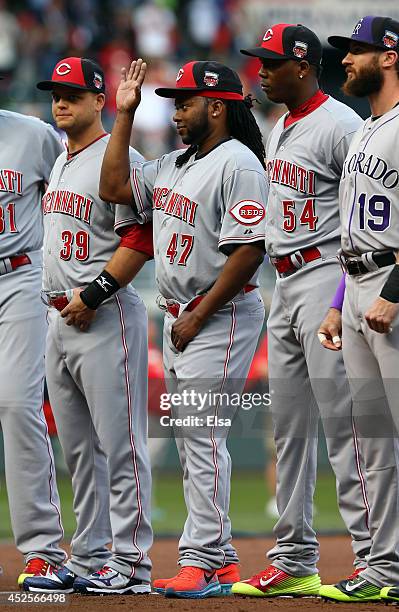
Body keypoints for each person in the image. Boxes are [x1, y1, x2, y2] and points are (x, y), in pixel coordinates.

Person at [99, 58, 267, 598]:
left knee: (202, 435)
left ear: (217, 106)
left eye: (187, 102)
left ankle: (200, 557)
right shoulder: (173, 163)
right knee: (195, 439)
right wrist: (123, 116)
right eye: (175, 102)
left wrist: (199, 313)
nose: (177, 111)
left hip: (218, 312)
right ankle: (221, 565)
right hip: (182, 315)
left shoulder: (238, 163)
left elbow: (248, 250)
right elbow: (113, 186)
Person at [232, 23, 371, 598]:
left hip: (326, 274)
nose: (261, 70)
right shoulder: (279, 122)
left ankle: (377, 561)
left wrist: (343, 296)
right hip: (282, 281)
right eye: (259, 61)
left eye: (271, 62)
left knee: (345, 425)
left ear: (304, 65)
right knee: (289, 431)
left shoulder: (343, 126)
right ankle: (293, 558)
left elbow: (363, 215)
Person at [22, 56, 153, 595]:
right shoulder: (59, 161)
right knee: (78, 449)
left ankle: (134, 564)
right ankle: (96, 555)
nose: (61, 100)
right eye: (56, 92)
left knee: (121, 445)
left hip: (105, 314)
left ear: (101, 100)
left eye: (73, 93)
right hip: (57, 315)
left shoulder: (119, 157)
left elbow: (140, 236)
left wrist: (98, 292)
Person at [318, 15, 399, 603]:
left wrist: (391, 297)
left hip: (392, 289)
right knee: (373, 441)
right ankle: (386, 570)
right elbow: (352, 228)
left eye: (358, 51)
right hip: (356, 288)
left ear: (390, 56)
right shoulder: (368, 130)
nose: (346, 59)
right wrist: (338, 302)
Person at [0, 86, 67, 587]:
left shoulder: (33, 135)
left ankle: (43, 549)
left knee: (18, 406)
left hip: (19, 278)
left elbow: (72, 197)